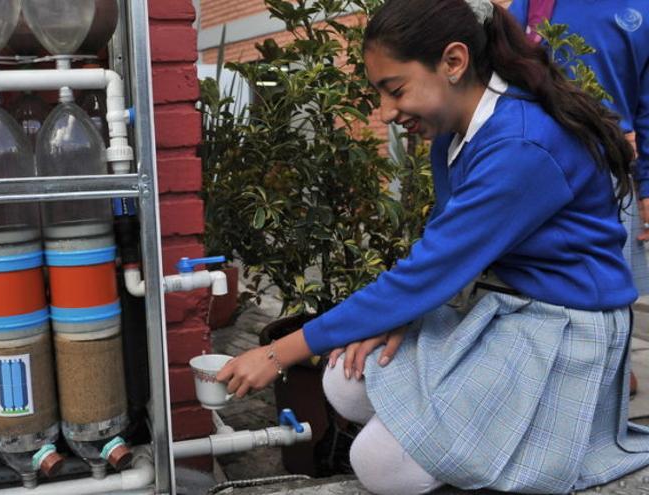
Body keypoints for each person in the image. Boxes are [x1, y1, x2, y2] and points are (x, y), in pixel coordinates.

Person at [216, 0, 649, 493]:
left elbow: (426, 274)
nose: (385, 113)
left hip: (563, 327)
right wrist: (400, 316)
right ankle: (463, 439)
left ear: (454, 62)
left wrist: (277, 355)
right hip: (505, 302)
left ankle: (508, 443)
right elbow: (441, 257)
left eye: (394, 89)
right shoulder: (455, 135)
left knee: (378, 462)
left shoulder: (522, 146)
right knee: (343, 378)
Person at [505, 0, 649, 397]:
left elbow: (647, 106)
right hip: (541, 162)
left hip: (613, 165)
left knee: (613, 272)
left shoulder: (641, 9)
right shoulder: (532, 4)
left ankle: (615, 367)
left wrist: (648, 187)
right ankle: (558, 367)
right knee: (550, 271)